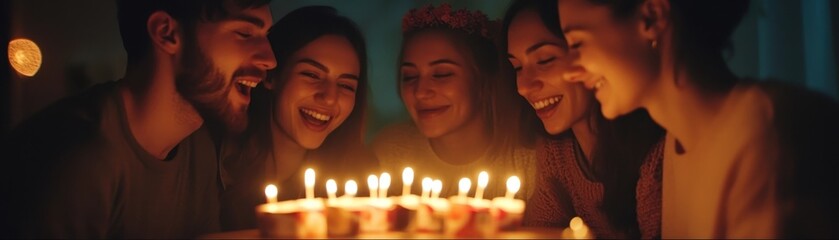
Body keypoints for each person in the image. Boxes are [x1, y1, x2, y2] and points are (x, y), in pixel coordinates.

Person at [557, 0, 839, 237]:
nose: (569, 71)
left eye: (577, 42)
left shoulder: (770, 132)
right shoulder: (678, 143)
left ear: (652, 17)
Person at [0, 0, 276, 238]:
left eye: (265, 35)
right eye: (245, 33)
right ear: (167, 33)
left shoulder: (198, 147)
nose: (270, 59)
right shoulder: (76, 157)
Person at [502, 0, 664, 238]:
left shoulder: (655, 154)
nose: (524, 87)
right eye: (516, 67)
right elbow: (541, 230)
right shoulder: (557, 153)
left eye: (545, 60)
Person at [218, 6, 378, 231]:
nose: (330, 98)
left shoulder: (356, 186)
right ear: (272, 76)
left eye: (345, 85)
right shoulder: (213, 166)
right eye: (311, 75)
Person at [372, 3, 538, 200]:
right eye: (409, 76)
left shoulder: (528, 162)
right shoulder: (391, 153)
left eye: (441, 74)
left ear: (482, 79)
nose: (420, 91)